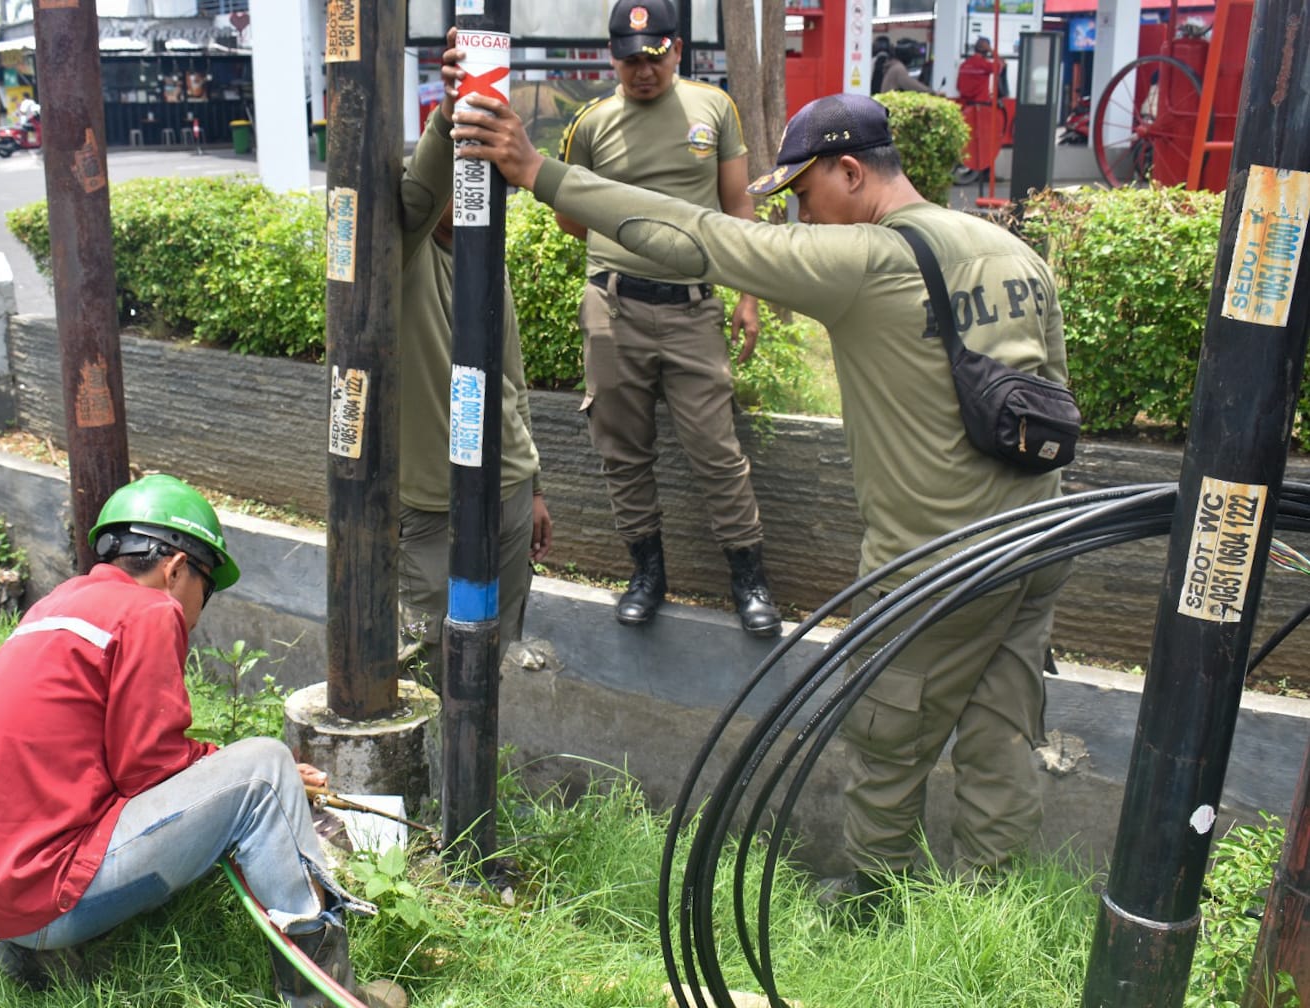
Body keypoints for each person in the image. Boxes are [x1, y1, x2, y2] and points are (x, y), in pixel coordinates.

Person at [450, 90, 1070, 899]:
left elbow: (705, 240)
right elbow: (1054, 402)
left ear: (851, 171)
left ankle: (873, 910)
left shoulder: (869, 263)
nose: (801, 219)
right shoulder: (1013, 252)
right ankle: (993, 917)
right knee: (1001, 737)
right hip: (1035, 549)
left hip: (934, 572)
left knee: (885, 746)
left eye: (806, 196)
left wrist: (538, 171)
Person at [0, 474, 395, 1007]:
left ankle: (37, 958)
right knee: (266, 765)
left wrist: (217, 769)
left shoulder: (55, 609)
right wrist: (258, 778)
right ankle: (323, 996)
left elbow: (118, 761)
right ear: (177, 568)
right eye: (206, 590)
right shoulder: (149, 609)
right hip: (51, 895)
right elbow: (148, 766)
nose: (199, 610)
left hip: (1, 900)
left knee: (256, 776)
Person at [555, 0, 782, 638]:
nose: (642, 72)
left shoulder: (714, 108)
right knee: (622, 451)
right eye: (629, 61)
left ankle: (749, 577)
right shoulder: (592, 123)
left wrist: (748, 294)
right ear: (613, 60)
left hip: (691, 308)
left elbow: (738, 205)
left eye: (653, 57)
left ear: (676, 49)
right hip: (613, 303)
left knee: (717, 450)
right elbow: (570, 216)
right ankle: (646, 573)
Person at [398, 30, 553, 683]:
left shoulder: (485, 258)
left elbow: (510, 378)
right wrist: (457, 100)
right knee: (428, 661)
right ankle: (433, 778)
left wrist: (534, 485)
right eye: (466, 188)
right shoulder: (397, 253)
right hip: (431, 505)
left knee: (494, 640)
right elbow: (422, 187)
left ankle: (480, 771)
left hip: (508, 489)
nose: (478, 204)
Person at [956, 36, 1006, 105]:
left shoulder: (963, 65)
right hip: (981, 106)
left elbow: (958, 86)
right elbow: (1002, 63)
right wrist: (990, 49)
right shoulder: (985, 65)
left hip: (964, 105)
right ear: (986, 51)